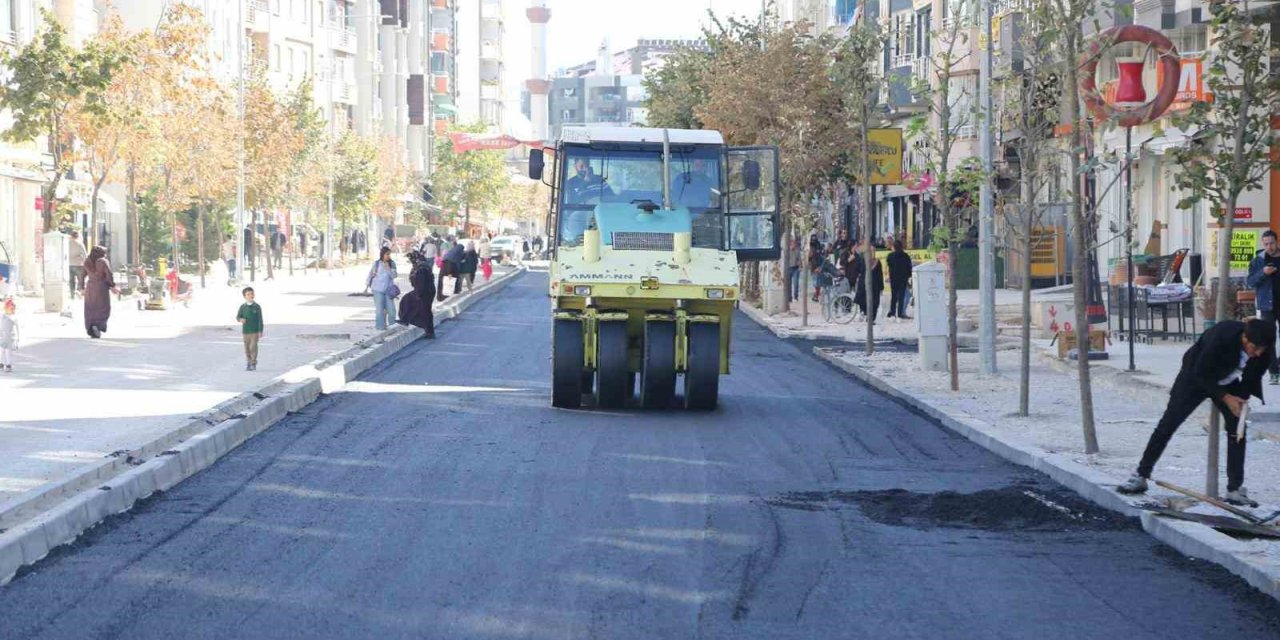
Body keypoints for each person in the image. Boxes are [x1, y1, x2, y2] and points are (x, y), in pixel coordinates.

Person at [1117, 318, 1276, 506]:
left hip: (1227, 380)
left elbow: (1252, 377)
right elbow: (1200, 372)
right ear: (1244, 338)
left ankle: (1234, 489)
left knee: (1238, 431)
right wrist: (1226, 397)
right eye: (1253, 348)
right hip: (1195, 377)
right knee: (1169, 423)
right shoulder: (1222, 335)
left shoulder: (1264, 349)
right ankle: (1140, 475)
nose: (1257, 353)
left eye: (1261, 349)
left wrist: (1239, 400)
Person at [1246, 229, 1280, 384]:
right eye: (1266, 244)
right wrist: (1263, 273)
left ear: (1277, 242)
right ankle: (1274, 373)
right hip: (1267, 305)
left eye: (1271, 243)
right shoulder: (1258, 260)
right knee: (1269, 339)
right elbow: (1250, 281)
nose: (1269, 247)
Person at [398, 250, 436, 339]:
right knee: (425, 310)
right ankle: (429, 331)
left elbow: (421, 284)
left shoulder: (421, 269)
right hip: (427, 291)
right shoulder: (422, 266)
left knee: (412, 303)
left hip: (425, 292)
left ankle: (406, 320)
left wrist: (418, 294)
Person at [83, 246, 119, 339]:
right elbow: (109, 274)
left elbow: (82, 275)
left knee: (90, 308)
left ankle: (91, 327)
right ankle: (98, 326)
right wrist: (112, 285)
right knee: (103, 308)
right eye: (104, 252)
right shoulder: (103, 261)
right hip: (101, 287)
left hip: (90, 287)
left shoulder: (87, 261)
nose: (105, 254)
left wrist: (81, 287)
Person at [366, 247, 398, 330]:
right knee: (379, 310)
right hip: (377, 289)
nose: (388, 256)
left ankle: (392, 326)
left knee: (391, 310)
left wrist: (388, 269)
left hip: (389, 290)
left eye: (389, 254)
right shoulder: (377, 263)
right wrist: (367, 285)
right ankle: (380, 327)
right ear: (382, 254)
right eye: (387, 254)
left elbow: (394, 276)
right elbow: (371, 274)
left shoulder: (392, 263)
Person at [236, 287, 264, 371]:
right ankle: (248, 361)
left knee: (253, 347)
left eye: (252, 294)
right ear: (244, 296)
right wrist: (240, 319)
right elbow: (238, 317)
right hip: (246, 331)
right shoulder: (243, 307)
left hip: (255, 331)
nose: (250, 295)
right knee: (247, 347)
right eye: (248, 294)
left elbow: (260, 319)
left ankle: (253, 362)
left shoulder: (257, 306)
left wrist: (260, 331)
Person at [887, 240, 913, 320]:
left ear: (894, 247)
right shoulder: (906, 256)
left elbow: (889, 265)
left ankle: (892, 312)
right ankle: (900, 313)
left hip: (894, 278)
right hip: (903, 279)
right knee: (901, 296)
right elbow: (909, 268)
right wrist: (908, 276)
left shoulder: (890, 256)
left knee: (894, 296)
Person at [68, 230, 87, 298]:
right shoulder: (80, 244)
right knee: (80, 280)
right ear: (78, 236)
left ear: (71, 236)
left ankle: (72, 294)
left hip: (69, 264)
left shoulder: (67, 243)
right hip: (79, 264)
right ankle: (79, 291)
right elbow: (85, 255)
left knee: (71, 281)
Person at [0, 298, 17, 372]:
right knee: (1, 351)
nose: (12, 310)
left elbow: (16, 328)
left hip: (10, 338)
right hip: (2, 337)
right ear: (6, 309)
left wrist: (17, 339)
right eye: (11, 308)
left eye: (13, 309)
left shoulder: (14, 318)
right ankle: (1, 363)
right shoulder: (2, 316)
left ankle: (8, 364)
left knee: (8, 352)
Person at [786, 235, 802, 304]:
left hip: (795, 268)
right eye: (792, 243)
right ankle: (789, 298)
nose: (794, 245)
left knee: (796, 283)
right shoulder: (787, 251)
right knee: (788, 284)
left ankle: (796, 296)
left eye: (794, 243)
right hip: (788, 268)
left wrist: (800, 266)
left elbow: (799, 259)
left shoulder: (797, 250)